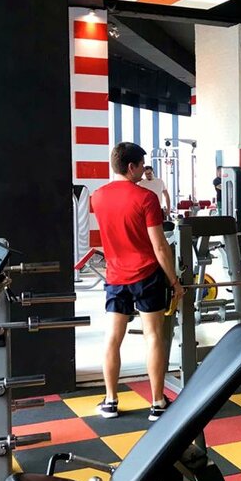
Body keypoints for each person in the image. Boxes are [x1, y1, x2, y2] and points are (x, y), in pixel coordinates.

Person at [91, 143, 185, 420]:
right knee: (153, 336)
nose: (144, 171)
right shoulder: (146, 198)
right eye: (142, 166)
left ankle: (110, 401)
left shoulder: (98, 196)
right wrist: (174, 281)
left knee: (112, 338)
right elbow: (159, 246)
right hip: (146, 275)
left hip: (115, 276)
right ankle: (157, 403)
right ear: (131, 166)